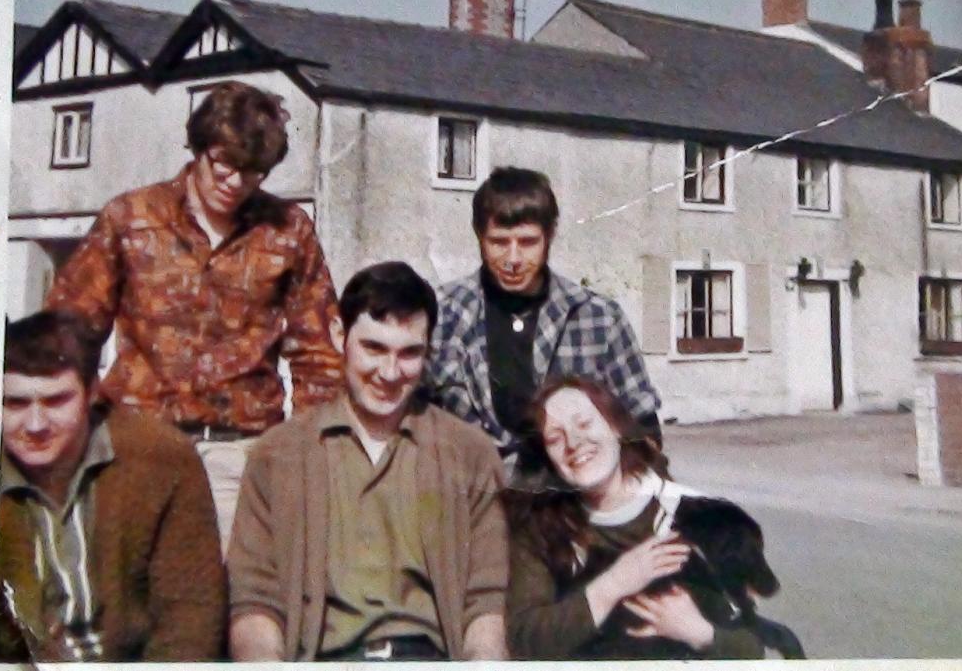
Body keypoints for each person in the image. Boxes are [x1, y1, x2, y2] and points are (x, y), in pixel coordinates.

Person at [44, 80, 343, 552]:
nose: (235, 183)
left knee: (225, 595)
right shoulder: (131, 217)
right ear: (200, 148)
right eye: (224, 165)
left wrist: (306, 452)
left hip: (239, 450)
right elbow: (66, 332)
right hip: (138, 442)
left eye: (253, 172)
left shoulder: (289, 231)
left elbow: (319, 352)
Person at [227, 261, 508, 661]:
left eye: (410, 353)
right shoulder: (278, 457)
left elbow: (485, 609)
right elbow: (255, 605)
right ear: (340, 336)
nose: (390, 373)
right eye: (373, 348)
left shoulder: (470, 455)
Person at [0, 311, 226, 663]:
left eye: (56, 401)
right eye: (16, 403)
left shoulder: (162, 458)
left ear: (91, 394)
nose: (36, 424)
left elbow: (189, 618)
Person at [504, 376, 764, 660]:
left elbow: (753, 647)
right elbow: (524, 641)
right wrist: (614, 583)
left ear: (616, 427)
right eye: (555, 438)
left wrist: (699, 632)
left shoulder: (684, 515)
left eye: (584, 424)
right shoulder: (541, 528)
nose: (574, 442)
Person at [427, 167, 661, 473]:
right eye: (499, 242)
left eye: (527, 242)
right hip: (471, 502)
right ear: (479, 236)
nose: (512, 259)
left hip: (573, 507)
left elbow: (644, 432)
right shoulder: (442, 313)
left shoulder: (599, 319)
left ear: (549, 236)